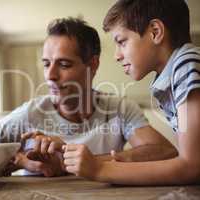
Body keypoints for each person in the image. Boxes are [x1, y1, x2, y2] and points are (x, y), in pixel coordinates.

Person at [0, 17, 177, 177]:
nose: (50, 75)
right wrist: (15, 161)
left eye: (64, 64)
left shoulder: (120, 109)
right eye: (46, 63)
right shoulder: (30, 114)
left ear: (92, 65)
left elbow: (165, 152)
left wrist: (69, 163)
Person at [63, 0, 200, 185]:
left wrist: (100, 169)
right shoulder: (174, 73)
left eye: (121, 42)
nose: (117, 55)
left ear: (155, 32)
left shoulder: (185, 65)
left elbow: (192, 166)